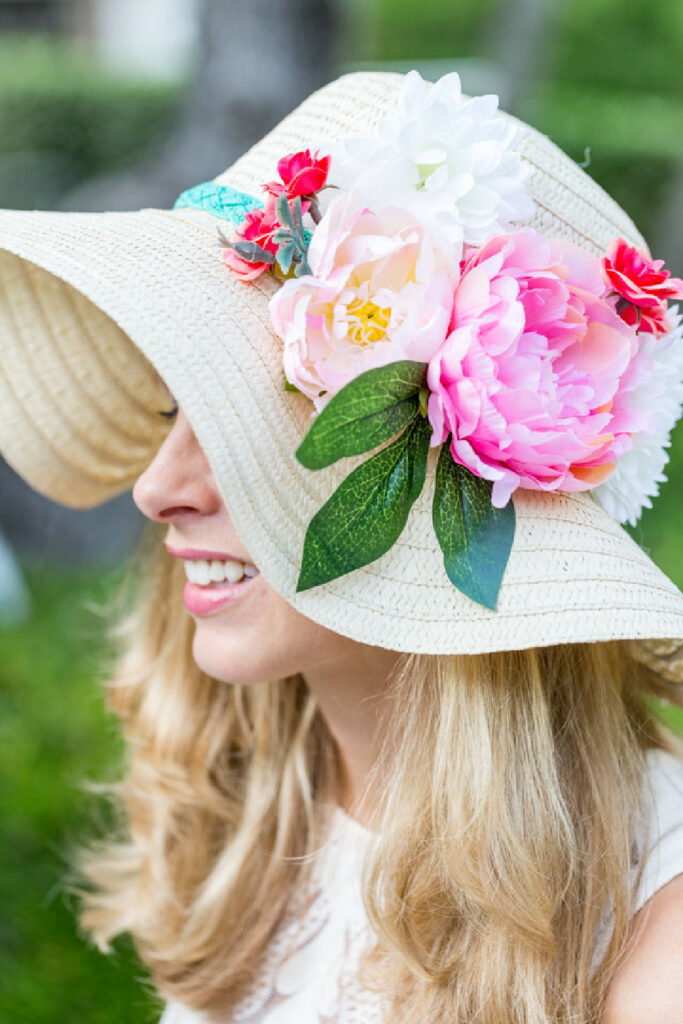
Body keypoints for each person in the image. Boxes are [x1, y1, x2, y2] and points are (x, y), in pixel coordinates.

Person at [1, 69, 683, 1024]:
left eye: (255, 423)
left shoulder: (655, 914)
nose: (156, 491)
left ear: (442, 456)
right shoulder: (246, 810)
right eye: (175, 407)